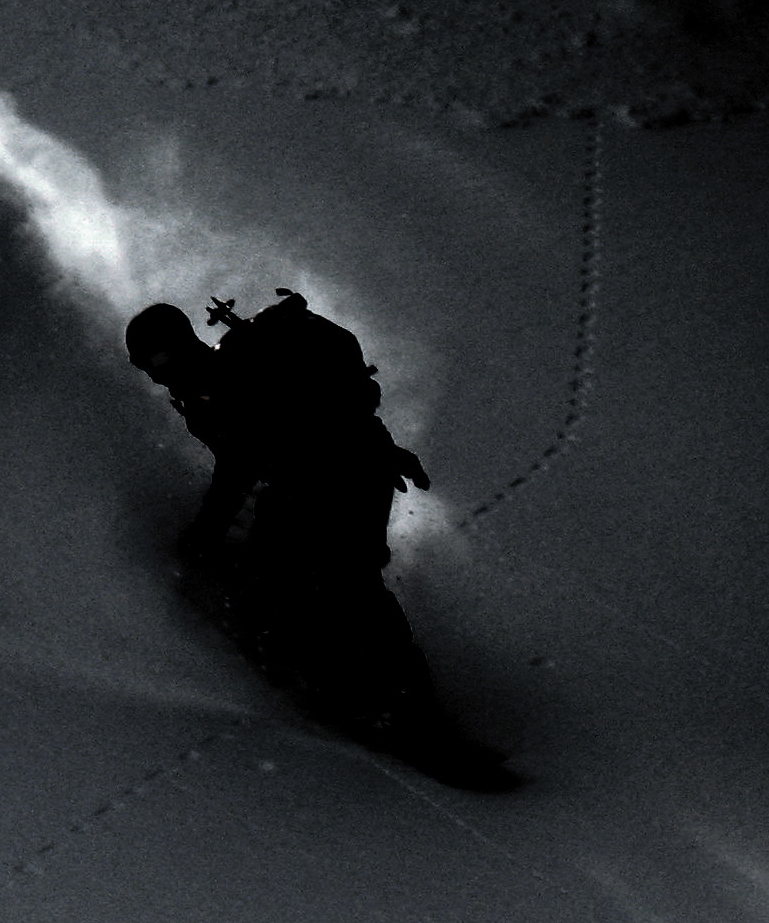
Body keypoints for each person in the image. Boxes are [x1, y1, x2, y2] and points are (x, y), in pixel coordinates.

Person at [128, 291, 513, 790]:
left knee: (346, 584)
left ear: (180, 344)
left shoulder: (223, 378)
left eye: (158, 357)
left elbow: (246, 459)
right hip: (326, 478)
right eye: (145, 363)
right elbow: (263, 448)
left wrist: (205, 530)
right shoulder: (204, 387)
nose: (155, 371)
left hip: (338, 480)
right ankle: (344, 683)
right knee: (288, 578)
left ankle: (405, 708)